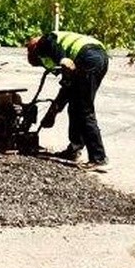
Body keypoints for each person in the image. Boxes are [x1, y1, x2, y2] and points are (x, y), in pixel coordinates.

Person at [26, 30, 109, 171]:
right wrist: (54, 111)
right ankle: (74, 149)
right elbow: (67, 90)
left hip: (88, 57)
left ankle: (98, 157)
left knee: (84, 110)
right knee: (76, 106)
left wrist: (62, 59)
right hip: (97, 57)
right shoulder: (65, 51)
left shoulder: (42, 42)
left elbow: (48, 40)